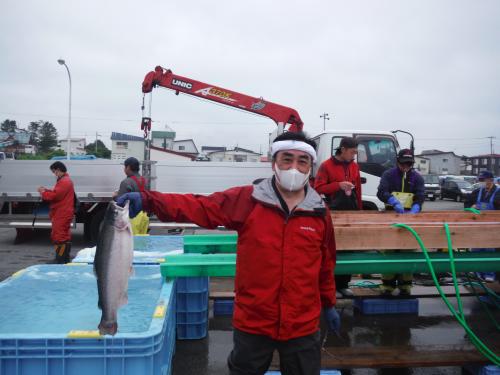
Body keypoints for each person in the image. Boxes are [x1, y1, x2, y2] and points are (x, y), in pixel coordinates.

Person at [117, 132, 340, 375]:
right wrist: (149, 200)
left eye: (302, 161)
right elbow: (199, 206)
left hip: (302, 324)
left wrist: (328, 303)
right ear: (274, 162)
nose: (294, 167)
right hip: (254, 321)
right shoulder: (248, 200)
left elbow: (325, 263)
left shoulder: (319, 211)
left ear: (310, 166)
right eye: (287, 159)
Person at [314, 137, 362, 298]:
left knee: (348, 249)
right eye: (352, 151)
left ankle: (343, 284)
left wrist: (359, 211)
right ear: (342, 149)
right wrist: (338, 185)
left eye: (356, 152)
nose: (354, 155)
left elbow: (358, 191)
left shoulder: (354, 166)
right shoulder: (326, 166)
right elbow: (318, 188)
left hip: (350, 214)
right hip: (333, 213)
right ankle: (330, 285)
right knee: (331, 250)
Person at [376, 149, 425, 296]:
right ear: (398, 161)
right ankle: (387, 285)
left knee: (408, 251)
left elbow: (420, 194)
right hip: (391, 215)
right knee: (389, 251)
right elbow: (381, 191)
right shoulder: (388, 175)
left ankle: (405, 285)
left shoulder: (417, 178)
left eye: (409, 164)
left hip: (410, 217)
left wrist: (417, 206)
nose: (406, 167)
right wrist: (391, 200)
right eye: (404, 164)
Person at [37, 161, 75, 264]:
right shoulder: (65, 180)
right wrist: (46, 190)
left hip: (61, 213)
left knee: (59, 236)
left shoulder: (64, 181)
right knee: (64, 236)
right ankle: (64, 259)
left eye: (54, 171)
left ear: (58, 170)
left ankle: (60, 260)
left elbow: (54, 196)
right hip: (64, 212)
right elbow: (56, 193)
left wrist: (43, 192)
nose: (54, 174)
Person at [465, 170, 499, 282]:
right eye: (480, 180)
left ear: (491, 180)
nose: (481, 182)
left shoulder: (498, 193)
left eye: (483, 180)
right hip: (478, 228)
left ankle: (490, 274)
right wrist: (472, 206)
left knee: (489, 251)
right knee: (476, 251)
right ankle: (477, 273)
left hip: (492, 229)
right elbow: (467, 204)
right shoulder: (477, 192)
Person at [114, 157, 149, 235]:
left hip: (133, 218)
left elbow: (120, 203)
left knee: (131, 242)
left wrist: (115, 196)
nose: (124, 169)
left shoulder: (126, 182)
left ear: (128, 167)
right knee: (141, 241)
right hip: (144, 216)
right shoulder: (144, 181)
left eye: (125, 167)